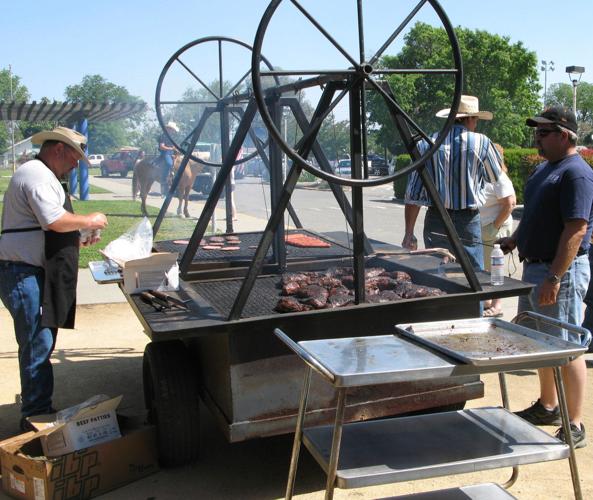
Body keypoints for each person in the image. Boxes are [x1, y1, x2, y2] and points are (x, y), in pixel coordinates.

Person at [0, 126, 108, 431]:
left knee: (40, 342)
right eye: (75, 157)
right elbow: (53, 220)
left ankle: (38, 408)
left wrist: (77, 239)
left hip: (29, 271)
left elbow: (45, 229)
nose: (76, 164)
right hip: (22, 273)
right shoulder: (36, 173)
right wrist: (89, 220)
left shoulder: (43, 174)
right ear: (59, 149)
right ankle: (35, 417)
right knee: (38, 344)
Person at [498, 106, 593, 449]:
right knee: (538, 341)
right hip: (534, 267)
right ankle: (548, 406)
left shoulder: (576, 173)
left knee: (567, 347)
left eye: (544, 132)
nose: (536, 138)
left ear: (565, 134)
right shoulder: (546, 170)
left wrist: (554, 278)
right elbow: (535, 215)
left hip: (559, 273)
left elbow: (576, 229)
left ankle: (575, 422)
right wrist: (516, 240)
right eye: (536, 132)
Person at [402, 95, 503, 271]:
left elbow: (413, 195)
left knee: (436, 272)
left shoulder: (426, 143)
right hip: (468, 220)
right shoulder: (482, 142)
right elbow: (494, 176)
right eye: (476, 120)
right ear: (470, 119)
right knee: (472, 275)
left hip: (436, 218)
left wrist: (409, 233)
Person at [480, 144, 516, 316]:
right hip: (485, 227)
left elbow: (510, 204)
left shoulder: (499, 177)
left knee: (496, 268)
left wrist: (494, 227)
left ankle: (497, 305)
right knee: (486, 268)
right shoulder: (485, 175)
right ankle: (488, 300)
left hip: (496, 228)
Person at [157, 121, 179, 196]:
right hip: (165, 153)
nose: (173, 131)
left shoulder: (171, 137)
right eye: (172, 129)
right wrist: (171, 149)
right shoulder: (163, 136)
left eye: (173, 130)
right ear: (168, 129)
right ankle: (164, 179)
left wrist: (176, 149)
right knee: (169, 163)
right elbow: (161, 146)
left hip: (171, 153)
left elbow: (173, 147)